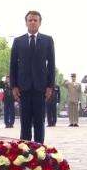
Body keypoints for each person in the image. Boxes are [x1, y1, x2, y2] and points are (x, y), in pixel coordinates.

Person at [9, 11, 55, 144]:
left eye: (35, 20)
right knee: (25, 123)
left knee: (40, 123)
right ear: (26, 22)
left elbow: (51, 64)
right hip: (23, 88)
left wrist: (50, 86)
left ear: (40, 23)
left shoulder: (47, 40)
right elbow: (13, 65)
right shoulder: (18, 41)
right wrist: (14, 86)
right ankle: (25, 154)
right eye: (30, 20)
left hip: (41, 88)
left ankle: (39, 152)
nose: (33, 22)